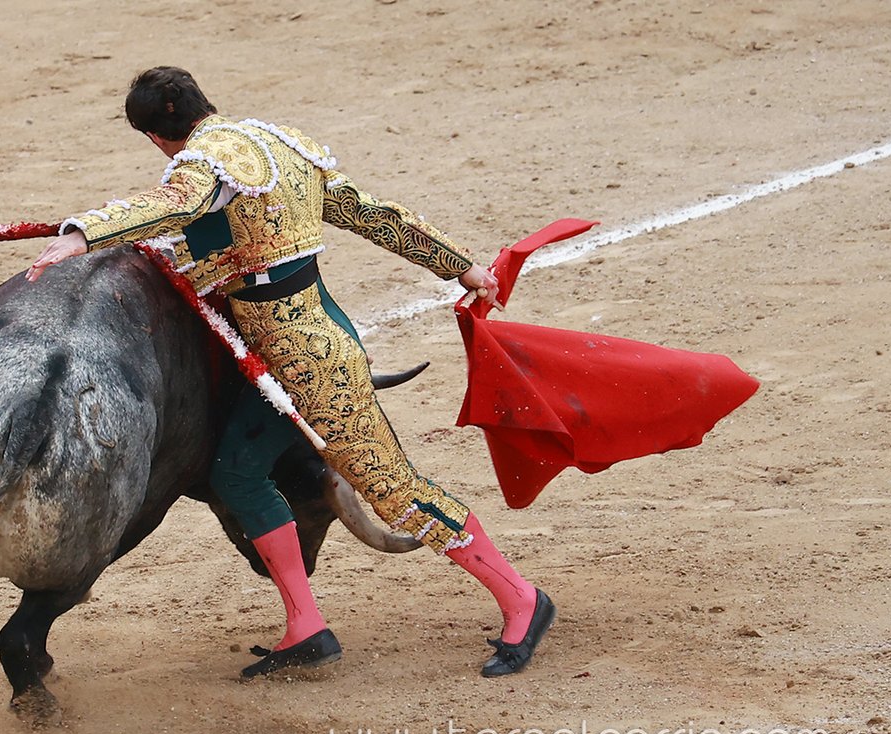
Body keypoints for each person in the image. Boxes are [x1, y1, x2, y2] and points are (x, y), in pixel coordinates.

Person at [29, 66, 554, 679]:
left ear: (155, 137)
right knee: (237, 470)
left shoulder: (203, 164)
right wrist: (457, 265)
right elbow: (371, 213)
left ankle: (522, 598)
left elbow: (175, 204)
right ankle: (305, 624)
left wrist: (82, 234)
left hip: (311, 359)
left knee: (394, 490)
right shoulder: (281, 144)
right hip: (293, 347)